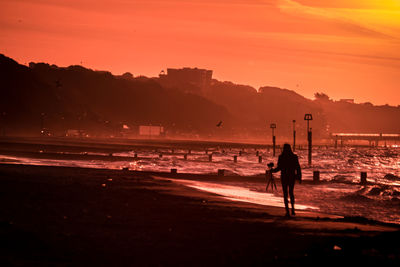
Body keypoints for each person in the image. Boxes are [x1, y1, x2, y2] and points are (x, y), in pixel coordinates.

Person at [272, 143, 302, 217]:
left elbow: (279, 167)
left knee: (285, 193)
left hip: (284, 176)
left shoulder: (281, 157)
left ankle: (287, 211)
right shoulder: (294, 157)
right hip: (292, 176)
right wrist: (299, 177)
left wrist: (272, 171)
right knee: (291, 192)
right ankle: (293, 210)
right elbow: (298, 168)